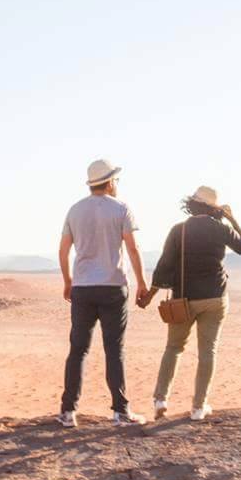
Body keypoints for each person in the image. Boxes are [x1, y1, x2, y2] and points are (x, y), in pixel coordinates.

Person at [139, 184, 241, 421]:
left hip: (185, 299)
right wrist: (233, 220)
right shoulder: (221, 229)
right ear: (214, 209)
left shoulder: (179, 230)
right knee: (207, 351)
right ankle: (199, 408)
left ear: (191, 204)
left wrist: (150, 294)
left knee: (173, 348)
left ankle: (161, 399)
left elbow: (164, 266)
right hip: (215, 298)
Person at [57, 158, 149, 427]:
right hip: (113, 286)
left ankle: (67, 411)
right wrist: (142, 282)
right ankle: (121, 412)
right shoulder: (121, 209)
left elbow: (63, 251)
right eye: (116, 181)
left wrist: (67, 281)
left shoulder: (75, 210)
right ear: (109, 182)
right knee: (114, 350)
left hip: (83, 288)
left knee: (78, 349)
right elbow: (133, 249)